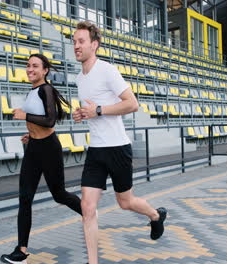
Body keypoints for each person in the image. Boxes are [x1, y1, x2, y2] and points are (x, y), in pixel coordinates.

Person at [72, 21, 167, 264]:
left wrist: (99, 110)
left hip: (117, 148)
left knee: (125, 202)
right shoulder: (79, 79)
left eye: (81, 41)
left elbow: (132, 104)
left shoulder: (107, 70)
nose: (76, 45)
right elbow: (92, 111)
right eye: (74, 41)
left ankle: (155, 216)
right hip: (96, 150)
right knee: (87, 207)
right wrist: (83, 114)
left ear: (94, 45)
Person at [0, 54, 83, 264]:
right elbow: (40, 121)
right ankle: (21, 252)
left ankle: (89, 213)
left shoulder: (45, 89)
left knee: (59, 194)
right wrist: (31, 133)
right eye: (28, 65)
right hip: (34, 147)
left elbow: (50, 119)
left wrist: (24, 117)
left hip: (48, 148)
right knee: (25, 198)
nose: (30, 69)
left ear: (45, 70)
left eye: (35, 66)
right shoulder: (32, 91)